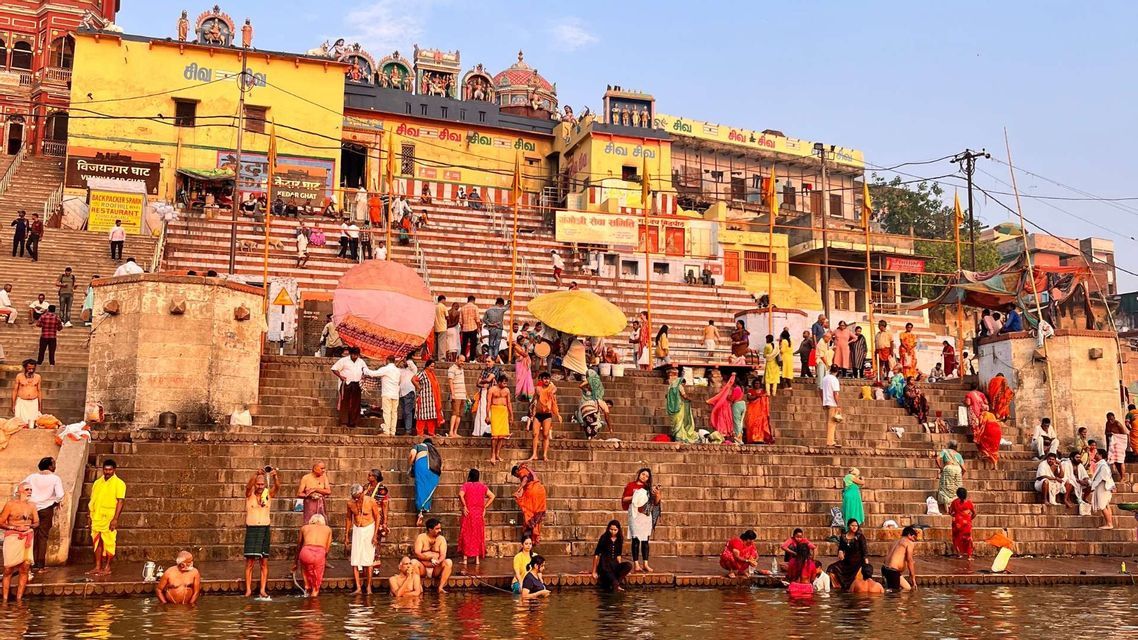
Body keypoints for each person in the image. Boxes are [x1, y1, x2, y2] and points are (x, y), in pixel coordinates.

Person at [243, 467, 279, 598]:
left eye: (262, 484)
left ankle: (262, 590)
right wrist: (255, 474)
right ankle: (248, 590)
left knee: (264, 562)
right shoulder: (250, 494)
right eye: (258, 484)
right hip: (252, 528)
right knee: (250, 562)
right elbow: (248, 486)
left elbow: (277, 487)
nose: (260, 486)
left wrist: (275, 477)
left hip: (264, 529)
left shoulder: (267, 494)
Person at [23, 457, 63, 571]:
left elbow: (19, 488)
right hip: (46, 509)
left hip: (32, 508)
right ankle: (40, 564)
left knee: (32, 535)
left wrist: (29, 499)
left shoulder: (32, 477)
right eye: (54, 464)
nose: (55, 466)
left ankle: (31, 562)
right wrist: (54, 502)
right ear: (50, 466)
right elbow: (60, 495)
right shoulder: (55, 478)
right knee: (43, 536)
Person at [87, 459, 125, 577]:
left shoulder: (119, 483)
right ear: (102, 470)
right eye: (105, 469)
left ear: (114, 470)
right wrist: (89, 515)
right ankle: (98, 566)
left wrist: (115, 519)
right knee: (97, 542)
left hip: (109, 518)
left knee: (109, 543)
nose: (107, 472)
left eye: (110, 470)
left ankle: (107, 567)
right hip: (96, 516)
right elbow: (92, 500)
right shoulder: (97, 483)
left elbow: (120, 502)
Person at [0, 482, 37, 602]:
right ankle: (5, 599)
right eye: (27, 489)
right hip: (13, 537)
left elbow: (37, 522)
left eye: (31, 489)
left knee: (25, 567)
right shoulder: (10, 504)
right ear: (20, 491)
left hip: (27, 536)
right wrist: (15, 528)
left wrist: (30, 526)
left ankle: (19, 599)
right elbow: (1, 522)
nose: (29, 491)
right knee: (8, 568)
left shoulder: (32, 506)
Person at [622, 468, 662, 573]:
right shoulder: (631, 485)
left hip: (645, 515)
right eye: (643, 474)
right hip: (635, 514)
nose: (644, 477)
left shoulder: (648, 488)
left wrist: (657, 494)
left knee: (645, 540)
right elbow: (624, 499)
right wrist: (636, 496)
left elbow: (656, 502)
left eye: (647, 476)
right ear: (639, 474)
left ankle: (645, 564)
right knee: (635, 539)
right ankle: (636, 564)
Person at [346, 483, 381, 594]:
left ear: (362, 493)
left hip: (369, 528)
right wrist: (346, 535)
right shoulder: (350, 503)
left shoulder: (370, 501)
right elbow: (348, 518)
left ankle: (368, 587)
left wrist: (375, 535)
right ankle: (358, 588)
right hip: (357, 529)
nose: (356, 499)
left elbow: (377, 517)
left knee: (368, 559)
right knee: (355, 559)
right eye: (354, 497)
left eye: (358, 496)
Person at [456, 469, 494, 566]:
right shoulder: (482, 486)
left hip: (468, 513)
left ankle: (465, 559)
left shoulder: (466, 485)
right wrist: (484, 507)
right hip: (479, 514)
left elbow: (460, 495)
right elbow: (492, 496)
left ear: (469, 476)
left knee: (467, 534)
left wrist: (464, 506)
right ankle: (477, 559)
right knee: (477, 535)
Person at [332, 347, 372, 429]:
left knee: (356, 404)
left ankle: (354, 422)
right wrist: (340, 376)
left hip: (357, 384)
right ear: (350, 354)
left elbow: (365, 370)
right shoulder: (343, 360)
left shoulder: (361, 361)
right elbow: (334, 369)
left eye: (356, 355)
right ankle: (344, 422)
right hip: (346, 383)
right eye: (353, 355)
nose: (355, 356)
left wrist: (365, 375)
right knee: (345, 403)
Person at [293, 513, 332, 597]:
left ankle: (307, 586)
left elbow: (299, 545)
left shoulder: (304, 527)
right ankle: (313, 604)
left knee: (304, 566)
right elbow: (327, 549)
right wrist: (322, 560)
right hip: (319, 553)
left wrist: (295, 563)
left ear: (311, 521)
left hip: (305, 552)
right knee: (316, 586)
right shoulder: (328, 529)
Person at [413, 518, 453, 592]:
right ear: (430, 529)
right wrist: (429, 558)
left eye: (440, 528)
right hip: (423, 568)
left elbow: (443, 554)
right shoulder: (421, 537)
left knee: (448, 562)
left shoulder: (441, 539)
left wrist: (439, 561)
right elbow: (417, 553)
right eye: (437, 529)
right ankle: (418, 587)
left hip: (436, 569)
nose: (440, 530)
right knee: (413, 562)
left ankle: (440, 588)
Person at [593, 520, 634, 591]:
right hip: (604, 566)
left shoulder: (619, 539)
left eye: (615, 530)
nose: (613, 532)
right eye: (611, 529)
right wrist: (594, 571)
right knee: (614, 583)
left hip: (614, 565)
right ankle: (615, 588)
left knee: (629, 565)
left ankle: (616, 583)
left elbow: (618, 555)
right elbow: (596, 554)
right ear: (608, 529)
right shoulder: (604, 537)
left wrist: (622, 570)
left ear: (618, 530)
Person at [409, 438, 442, 526]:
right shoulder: (435, 451)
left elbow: (412, 454)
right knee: (428, 489)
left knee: (420, 487)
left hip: (422, 467)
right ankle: (426, 507)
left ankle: (420, 512)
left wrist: (411, 464)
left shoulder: (419, 446)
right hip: (434, 470)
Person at [512, 462, 547, 545]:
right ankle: (536, 538)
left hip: (533, 492)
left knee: (529, 513)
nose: (517, 476)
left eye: (515, 475)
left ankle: (531, 537)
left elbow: (525, 479)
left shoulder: (521, 471)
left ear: (516, 471)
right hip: (540, 491)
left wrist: (519, 489)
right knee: (537, 514)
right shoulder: (527, 469)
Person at [529, 372, 560, 460]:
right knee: (535, 434)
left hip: (547, 414)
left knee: (546, 434)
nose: (546, 380)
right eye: (544, 378)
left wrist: (550, 392)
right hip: (538, 414)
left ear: (550, 380)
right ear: (541, 380)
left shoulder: (552, 388)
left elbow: (554, 389)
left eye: (548, 378)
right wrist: (532, 410)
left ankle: (544, 455)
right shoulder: (537, 388)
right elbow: (535, 399)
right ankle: (534, 454)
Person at [665, 367, 698, 443]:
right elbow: (684, 396)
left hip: (671, 408)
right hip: (679, 407)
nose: (683, 385)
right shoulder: (679, 386)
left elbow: (666, 396)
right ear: (681, 382)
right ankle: (679, 436)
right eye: (683, 384)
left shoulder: (670, 387)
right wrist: (690, 399)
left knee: (675, 422)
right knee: (679, 422)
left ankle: (676, 435)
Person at [881, 526, 919, 591]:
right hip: (893, 571)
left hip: (884, 569)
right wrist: (913, 579)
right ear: (909, 535)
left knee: (904, 588)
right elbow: (909, 560)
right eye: (914, 538)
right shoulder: (909, 542)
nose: (914, 540)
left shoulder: (896, 541)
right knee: (897, 594)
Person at [486, 374, 513, 463]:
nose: (505, 385)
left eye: (506, 383)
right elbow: (488, 403)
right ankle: (493, 454)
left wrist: (511, 415)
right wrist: (487, 415)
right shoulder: (492, 389)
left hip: (504, 411)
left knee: (502, 435)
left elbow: (509, 403)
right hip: (495, 410)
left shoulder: (507, 390)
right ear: (499, 382)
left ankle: (497, 454)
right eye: (504, 383)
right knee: (494, 436)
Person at [413, 357, 443, 436]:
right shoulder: (422, 373)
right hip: (424, 398)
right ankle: (420, 432)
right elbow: (413, 379)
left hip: (432, 399)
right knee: (422, 416)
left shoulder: (432, 375)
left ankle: (431, 432)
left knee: (432, 416)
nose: (432, 368)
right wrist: (419, 387)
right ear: (427, 366)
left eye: (433, 366)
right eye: (431, 366)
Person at [297, 461, 331, 527]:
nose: (323, 470)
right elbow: (299, 493)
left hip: (321, 505)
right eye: (322, 468)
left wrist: (315, 489)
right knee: (309, 524)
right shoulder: (306, 478)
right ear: (315, 469)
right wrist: (310, 495)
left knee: (322, 524)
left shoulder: (324, 477)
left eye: (324, 468)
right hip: (310, 506)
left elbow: (328, 491)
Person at [707, 371, 739, 439]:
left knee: (726, 418)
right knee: (721, 418)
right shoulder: (724, 389)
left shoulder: (727, 388)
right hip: (722, 405)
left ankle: (725, 432)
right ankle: (722, 431)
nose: (722, 383)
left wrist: (733, 376)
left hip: (726, 405)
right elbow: (719, 396)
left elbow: (730, 383)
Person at [1090, 447, 1115, 529]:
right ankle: (1109, 523)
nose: (1095, 455)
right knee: (1106, 505)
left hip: (1103, 487)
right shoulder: (1102, 464)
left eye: (1097, 453)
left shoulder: (1103, 465)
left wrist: (1092, 485)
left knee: (1102, 505)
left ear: (1100, 455)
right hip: (1104, 487)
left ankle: (1109, 524)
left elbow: (1102, 477)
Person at [948, 487, 976, 559]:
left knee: (956, 538)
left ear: (957, 494)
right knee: (968, 539)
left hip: (957, 522)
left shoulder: (954, 502)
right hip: (966, 523)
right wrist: (969, 519)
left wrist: (955, 516)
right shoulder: (969, 503)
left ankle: (959, 554)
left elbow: (950, 512)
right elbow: (974, 513)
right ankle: (969, 556)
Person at [11, 360, 42, 425]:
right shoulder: (19, 376)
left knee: (32, 424)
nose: (31, 370)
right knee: (19, 423)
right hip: (21, 402)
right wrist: (13, 404)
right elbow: (15, 390)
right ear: (25, 368)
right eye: (29, 368)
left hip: (33, 403)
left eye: (33, 369)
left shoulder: (38, 377)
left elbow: (39, 391)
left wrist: (40, 405)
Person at [743, 378, 773, 444]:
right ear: (754, 384)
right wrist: (758, 396)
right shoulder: (751, 391)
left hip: (761, 411)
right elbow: (749, 398)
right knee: (752, 423)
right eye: (756, 383)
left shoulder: (763, 392)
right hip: (753, 410)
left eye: (758, 383)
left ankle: (760, 438)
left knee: (760, 424)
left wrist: (762, 396)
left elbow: (766, 400)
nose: (757, 385)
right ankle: (752, 438)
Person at [937, 442, 965, 509]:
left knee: (945, 488)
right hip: (958, 470)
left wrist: (941, 467)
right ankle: (956, 506)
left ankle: (947, 507)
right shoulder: (958, 455)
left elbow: (937, 458)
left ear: (949, 446)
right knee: (956, 489)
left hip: (948, 468)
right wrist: (961, 475)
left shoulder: (945, 451)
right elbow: (964, 469)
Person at [445, 356, 467, 437]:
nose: (462, 362)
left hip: (462, 394)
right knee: (455, 413)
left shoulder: (462, 369)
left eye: (463, 361)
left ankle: (455, 432)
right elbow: (450, 382)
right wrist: (453, 393)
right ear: (457, 359)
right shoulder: (452, 369)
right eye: (461, 360)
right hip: (456, 394)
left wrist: (465, 394)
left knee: (459, 414)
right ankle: (451, 431)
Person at [398, 356, 419, 435]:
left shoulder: (413, 370)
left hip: (409, 392)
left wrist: (405, 360)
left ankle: (408, 430)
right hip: (401, 393)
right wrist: (399, 361)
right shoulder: (401, 371)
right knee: (404, 412)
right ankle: (406, 428)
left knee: (408, 411)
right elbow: (393, 368)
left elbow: (411, 364)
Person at [822, 364, 841, 447]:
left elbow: (820, 390)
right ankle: (830, 441)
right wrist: (838, 404)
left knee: (828, 422)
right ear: (836, 371)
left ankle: (830, 440)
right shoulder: (834, 380)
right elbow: (835, 393)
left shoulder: (825, 378)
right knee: (832, 423)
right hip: (832, 403)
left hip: (826, 402)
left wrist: (823, 401)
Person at [1105, 412, 1129, 477]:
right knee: (1115, 461)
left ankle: (1123, 477)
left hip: (1119, 445)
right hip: (1112, 444)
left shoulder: (1117, 423)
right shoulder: (1107, 424)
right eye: (1109, 419)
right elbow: (1106, 434)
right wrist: (1108, 448)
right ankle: (1121, 475)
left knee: (1120, 461)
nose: (1110, 421)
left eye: (1112, 419)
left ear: (1114, 418)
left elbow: (1124, 436)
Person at [460, 295, 481, 360]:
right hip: (473, 328)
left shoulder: (463, 308)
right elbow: (477, 319)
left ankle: (462, 358)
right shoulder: (475, 307)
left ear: (468, 300)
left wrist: (462, 328)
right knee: (473, 344)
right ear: (473, 300)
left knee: (464, 345)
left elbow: (460, 321)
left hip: (465, 329)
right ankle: (472, 358)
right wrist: (478, 328)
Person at [514, 336, 535, 401]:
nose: (523, 342)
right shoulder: (516, 346)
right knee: (520, 379)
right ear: (518, 341)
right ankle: (517, 395)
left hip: (525, 364)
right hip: (520, 364)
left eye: (523, 341)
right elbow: (524, 354)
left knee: (527, 378)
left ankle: (526, 395)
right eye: (521, 341)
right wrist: (528, 347)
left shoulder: (523, 346)